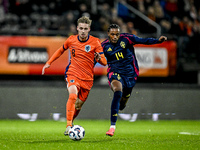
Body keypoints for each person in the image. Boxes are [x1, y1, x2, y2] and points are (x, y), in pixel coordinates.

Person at [42, 16, 107, 135]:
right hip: (73, 73)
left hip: (87, 78)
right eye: (81, 28)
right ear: (77, 28)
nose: (83, 31)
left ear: (89, 29)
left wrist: (99, 59)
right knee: (72, 96)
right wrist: (49, 63)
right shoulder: (71, 40)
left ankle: (71, 121)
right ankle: (68, 126)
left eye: (85, 28)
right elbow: (60, 50)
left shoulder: (95, 41)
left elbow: (104, 62)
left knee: (78, 105)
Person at [101, 24, 167, 136]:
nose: (115, 36)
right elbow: (94, 58)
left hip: (130, 74)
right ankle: (112, 127)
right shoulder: (103, 45)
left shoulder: (127, 38)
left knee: (123, 103)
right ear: (108, 34)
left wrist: (158, 41)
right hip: (115, 72)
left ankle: (122, 103)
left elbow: (144, 40)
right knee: (117, 91)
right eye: (112, 34)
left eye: (117, 34)